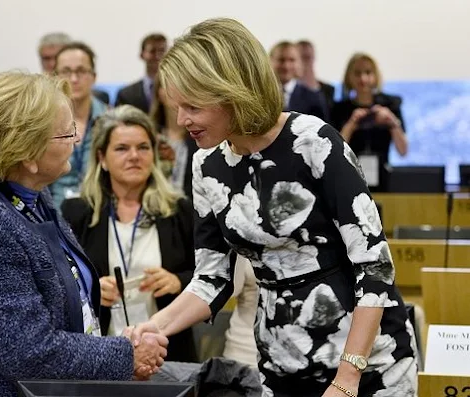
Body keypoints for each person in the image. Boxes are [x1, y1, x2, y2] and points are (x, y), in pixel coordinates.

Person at [132, 18, 417, 397]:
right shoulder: (207, 165)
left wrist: (348, 379)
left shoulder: (314, 142)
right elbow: (213, 278)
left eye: (193, 106)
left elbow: (375, 267)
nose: (182, 121)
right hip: (281, 363)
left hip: (367, 362)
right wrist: (156, 325)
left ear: (231, 91)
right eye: (176, 106)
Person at [0, 71, 168, 396]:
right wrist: (126, 354)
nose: (76, 140)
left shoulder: (30, 190)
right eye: (66, 134)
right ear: (27, 152)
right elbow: (27, 351)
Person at [61, 104, 198, 362]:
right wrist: (90, 288)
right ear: (102, 158)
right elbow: (59, 283)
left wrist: (178, 281)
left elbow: (207, 275)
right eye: (122, 148)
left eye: (143, 147)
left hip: (169, 353)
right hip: (99, 354)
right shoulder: (77, 212)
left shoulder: (179, 210)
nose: (134, 156)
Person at [331, 53, 408, 192]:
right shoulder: (339, 109)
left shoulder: (391, 105)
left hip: (383, 177)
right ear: (349, 76)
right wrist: (352, 124)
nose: (363, 79)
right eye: (357, 73)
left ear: (376, 75)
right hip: (350, 177)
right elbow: (335, 151)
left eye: (368, 72)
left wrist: (391, 121)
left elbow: (403, 151)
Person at [50, 42, 109, 210]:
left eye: (81, 71)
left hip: (100, 214)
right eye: (66, 71)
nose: (74, 79)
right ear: (55, 76)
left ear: (94, 76)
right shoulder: (43, 123)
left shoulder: (111, 121)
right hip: (54, 217)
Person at [149, 74, 198, 197]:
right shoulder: (149, 135)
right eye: (169, 85)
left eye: (181, 85)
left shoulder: (201, 135)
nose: (176, 92)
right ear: (159, 93)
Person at [269, 41, 328, 121]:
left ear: (299, 63)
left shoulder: (313, 98)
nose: (286, 66)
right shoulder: (260, 95)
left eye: (292, 60)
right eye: (281, 60)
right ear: (270, 60)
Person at [115, 33, 168, 113]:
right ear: (141, 55)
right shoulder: (126, 94)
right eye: (152, 51)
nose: (157, 56)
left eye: (161, 51)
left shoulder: (177, 91)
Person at [296, 40, 335, 113]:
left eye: (308, 57)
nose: (305, 62)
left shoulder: (328, 90)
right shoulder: (286, 89)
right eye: (302, 57)